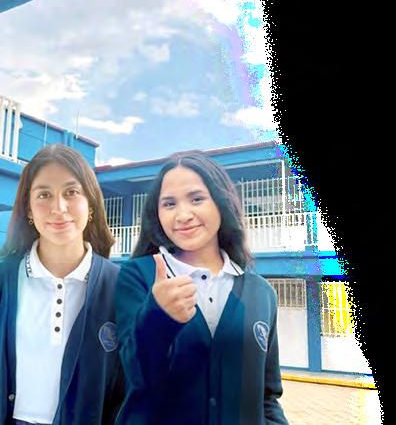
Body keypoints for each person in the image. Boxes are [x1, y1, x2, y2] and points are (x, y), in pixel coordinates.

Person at [115, 153, 289, 425]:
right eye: (169, 204)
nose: (183, 215)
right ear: (157, 214)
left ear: (221, 203)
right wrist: (158, 317)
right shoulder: (137, 276)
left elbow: (267, 396)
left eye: (197, 199)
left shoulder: (261, 293)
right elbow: (134, 377)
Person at [0, 144, 125, 425]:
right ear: (29, 208)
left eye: (71, 192)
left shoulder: (120, 286)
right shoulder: (5, 278)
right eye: (44, 194)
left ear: (90, 203)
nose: (59, 208)